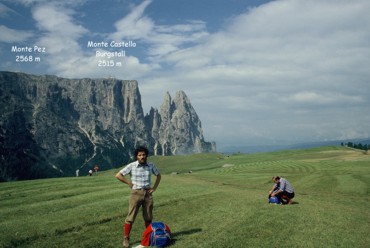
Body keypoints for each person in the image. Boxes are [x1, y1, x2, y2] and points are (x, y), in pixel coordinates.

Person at [115, 146, 162, 248]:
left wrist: (154, 188)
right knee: (130, 217)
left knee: (148, 217)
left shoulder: (151, 165)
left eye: (144, 155)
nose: (142, 157)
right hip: (135, 193)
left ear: (146, 155)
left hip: (148, 194)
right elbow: (118, 175)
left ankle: (149, 237)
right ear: (136, 156)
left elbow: (158, 175)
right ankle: (126, 238)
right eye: (139, 155)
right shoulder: (132, 166)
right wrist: (129, 183)